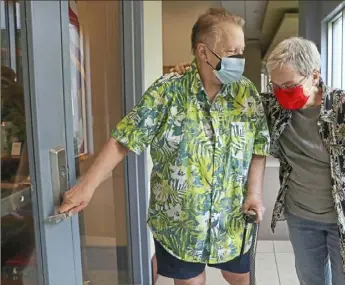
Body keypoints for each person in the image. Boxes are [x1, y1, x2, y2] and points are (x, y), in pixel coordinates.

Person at [59, 8, 271, 285]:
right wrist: (88, 185)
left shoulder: (246, 93)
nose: (239, 61)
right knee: (190, 282)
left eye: (240, 53)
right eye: (232, 53)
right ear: (203, 52)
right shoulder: (167, 91)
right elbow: (125, 138)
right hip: (180, 222)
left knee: (240, 277)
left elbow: (259, 145)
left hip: (231, 218)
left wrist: (254, 192)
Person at [263, 37, 345, 285]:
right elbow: (233, 100)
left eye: (290, 85)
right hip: (301, 217)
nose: (282, 94)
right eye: (276, 86)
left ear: (314, 76)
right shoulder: (274, 107)